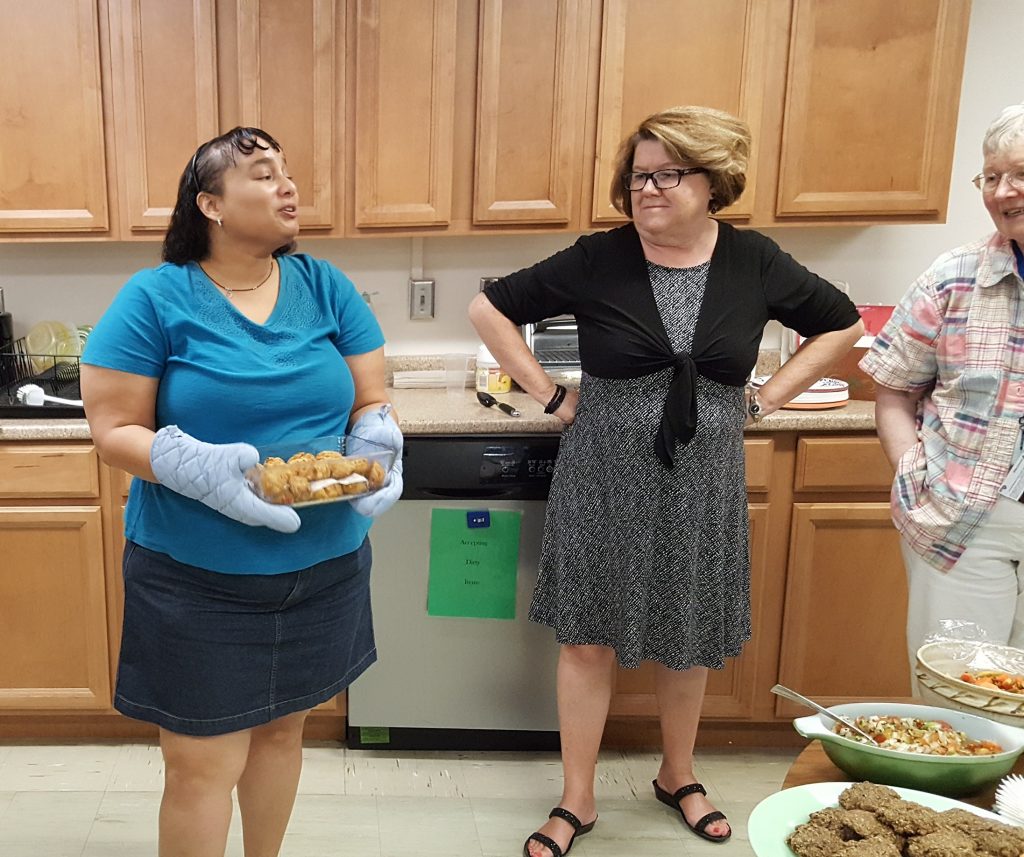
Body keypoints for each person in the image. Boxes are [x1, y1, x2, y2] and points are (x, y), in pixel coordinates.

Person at [469, 105, 863, 857]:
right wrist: (550, 394)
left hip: (703, 473)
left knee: (686, 636)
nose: (647, 189)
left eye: (667, 174)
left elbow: (841, 324)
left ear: (712, 182)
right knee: (588, 637)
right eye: (637, 176)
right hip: (602, 470)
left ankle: (677, 774)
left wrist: (768, 397)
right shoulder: (598, 257)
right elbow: (489, 307)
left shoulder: (753, 260)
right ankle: (577, 797)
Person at [80, 127, 403, 857]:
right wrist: (186, 463)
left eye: (287, 172)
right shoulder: (157, 297)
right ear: (211, 204)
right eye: (262, 174)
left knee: (284, 729)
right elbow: (111, 429)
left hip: (323, 567)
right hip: (198, 581)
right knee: (202, 762)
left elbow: (368, 398)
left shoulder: (325, 284)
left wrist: (378, 434)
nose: (287, 186)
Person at [862, 102, 1024, 680]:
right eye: (991, 177)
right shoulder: (954, 276)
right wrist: (914, 473)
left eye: (1020, 175)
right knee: (959, 707)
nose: (1004, 192)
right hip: (961, 525)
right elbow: (892, 393)